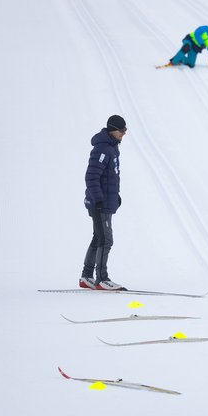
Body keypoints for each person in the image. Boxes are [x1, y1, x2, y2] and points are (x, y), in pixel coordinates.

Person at [79, 115, 128, 291]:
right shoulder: (102, 149)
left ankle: (86, 276)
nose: (123, 134)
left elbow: (111, 177)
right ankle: (102, 279)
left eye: (125, 130)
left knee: (98, 237)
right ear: (112, 129)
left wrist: (116, 196)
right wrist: (99, 199)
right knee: (106, 239)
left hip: (105, 201)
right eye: (121, 130)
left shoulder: (112, 148)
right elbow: (91, 177)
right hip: (99, 203)